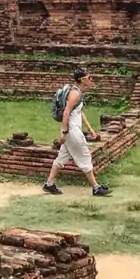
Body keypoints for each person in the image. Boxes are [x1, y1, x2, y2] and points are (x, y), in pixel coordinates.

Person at [43, 68, 111, 197]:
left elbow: (79, 112)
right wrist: (63, 132)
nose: (91, 80)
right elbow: (67, 112)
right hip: (72, 131)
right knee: (85, 157)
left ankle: (49, 184)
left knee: (62, 157)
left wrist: (90, 129)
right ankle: (96, 188)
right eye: (89, 78)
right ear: (82, 80)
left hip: (71, 131)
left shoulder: (78, 93)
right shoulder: (75, 93)